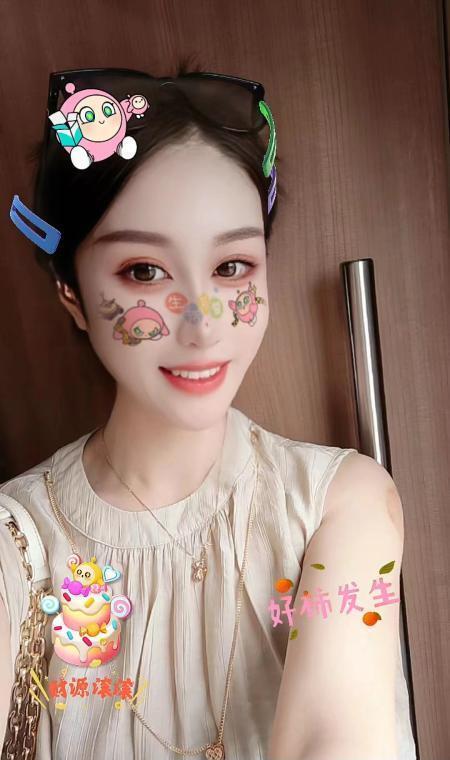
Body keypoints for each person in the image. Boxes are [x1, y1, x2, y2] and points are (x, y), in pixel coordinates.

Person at [0, 61, 416, 760]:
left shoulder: (337, 507)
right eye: (143, 271)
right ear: (70, 291)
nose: (201, 326)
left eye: (231, 268)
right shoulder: (19, 544)